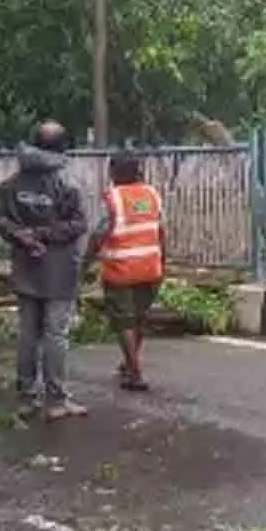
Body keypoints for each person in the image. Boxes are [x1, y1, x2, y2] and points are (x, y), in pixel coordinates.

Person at [0, 120, 89, 421]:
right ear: (63, 148)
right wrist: (45, 234)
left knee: (27, 333)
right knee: (55, 334)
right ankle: (56, 401)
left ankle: (27, 397)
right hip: (59, 272)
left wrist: (23, 236)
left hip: (25, 268)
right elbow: (78, 225)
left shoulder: (12, 183)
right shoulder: (67, 184)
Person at [87, 154, 164, 392]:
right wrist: (164, 263)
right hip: (150, 267)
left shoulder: (112, 199)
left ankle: (135, 372)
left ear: (114, 172)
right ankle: (129, 363)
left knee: (124, 322)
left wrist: (83, 264)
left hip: (121, 270)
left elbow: (98, 235)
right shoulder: (152, 195)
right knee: (139, 318)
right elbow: (161, 231)